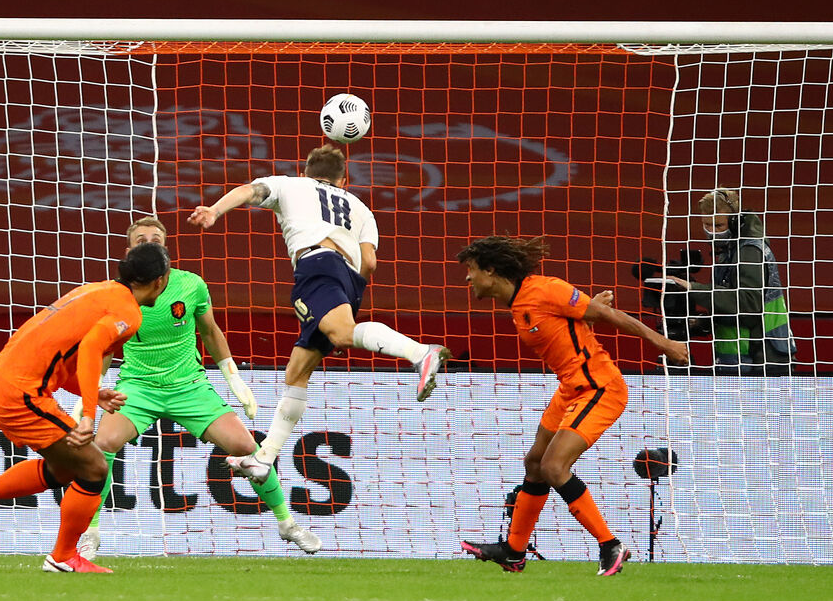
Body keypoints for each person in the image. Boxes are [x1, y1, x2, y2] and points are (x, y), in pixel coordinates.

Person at [187, 144, 451, 484]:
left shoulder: (290, 184)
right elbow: (369, 262)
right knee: (297, 370)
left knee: (342, 333)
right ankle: (264, 458)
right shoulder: (360, 207)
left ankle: (420, 353)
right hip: (351, 280)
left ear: (304, 172)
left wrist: (214, 211)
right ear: (344, 180)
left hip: (316, 265)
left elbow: (248, 191)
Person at [77, 217, 321, 559]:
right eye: (142, 238)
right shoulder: (115, 293)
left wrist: (233, 377)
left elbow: (210, 332)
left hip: (189, 387)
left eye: (156, 238)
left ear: (166, 248)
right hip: (138, 388)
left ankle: (286, 523)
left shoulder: (190, 285)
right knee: (101, 444)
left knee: (248, 447)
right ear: (130, 250)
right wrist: (88, 394)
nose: (150, 242)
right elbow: (103, 347)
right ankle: (90, 532)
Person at [456, 235, 688, 576]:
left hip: (599, 386)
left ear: (491, 271)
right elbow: (568, 327)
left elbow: (614, 317)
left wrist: (663, 342)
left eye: (471, 270)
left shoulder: (545, 289)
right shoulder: (519, 304)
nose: (467, 278)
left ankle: (611, 545)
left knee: (553, 466)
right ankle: (513, 551)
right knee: (535, 463)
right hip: (570, 387)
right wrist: (587, 314)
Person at [0, 242, 171, 574]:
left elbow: (58, 355)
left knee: (65, 468)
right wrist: (89, 414)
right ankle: (63, 557)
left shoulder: (98, 291)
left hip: (3, 378)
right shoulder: (128, 313)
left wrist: (94, 392)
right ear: (159, 281)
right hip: (20, 391)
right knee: (93, 467)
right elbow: (91, 349)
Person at [667, 188, 796, 375]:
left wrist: (693, 288)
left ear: (735, 222)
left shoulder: (749, 250)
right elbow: (730, 305)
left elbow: (748, 303)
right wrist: (704, 323)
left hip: (762, 359)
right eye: (706, 225)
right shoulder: (728, 250)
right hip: (739, 356)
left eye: (718, 225)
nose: (711, 232)